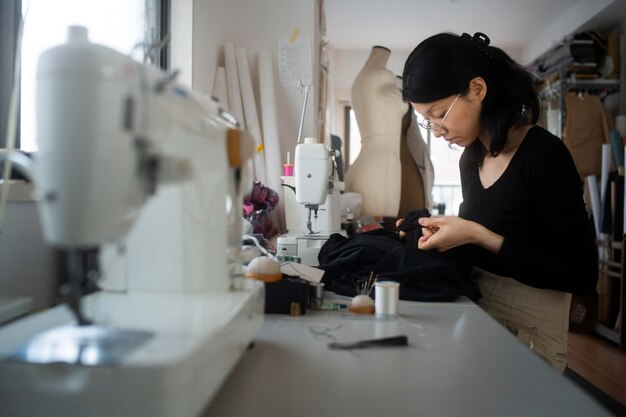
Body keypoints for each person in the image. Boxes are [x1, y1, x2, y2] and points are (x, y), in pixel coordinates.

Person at [398, 32, 598, 372]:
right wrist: (439, 233)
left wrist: (478, 235)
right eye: (427, 121)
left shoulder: (543, 155)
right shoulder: (471, 159)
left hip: (532, 330)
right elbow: (481, 248)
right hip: (480, 313)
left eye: (441, 113)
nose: (437, 130)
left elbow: (580, 275)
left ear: (477, 89)